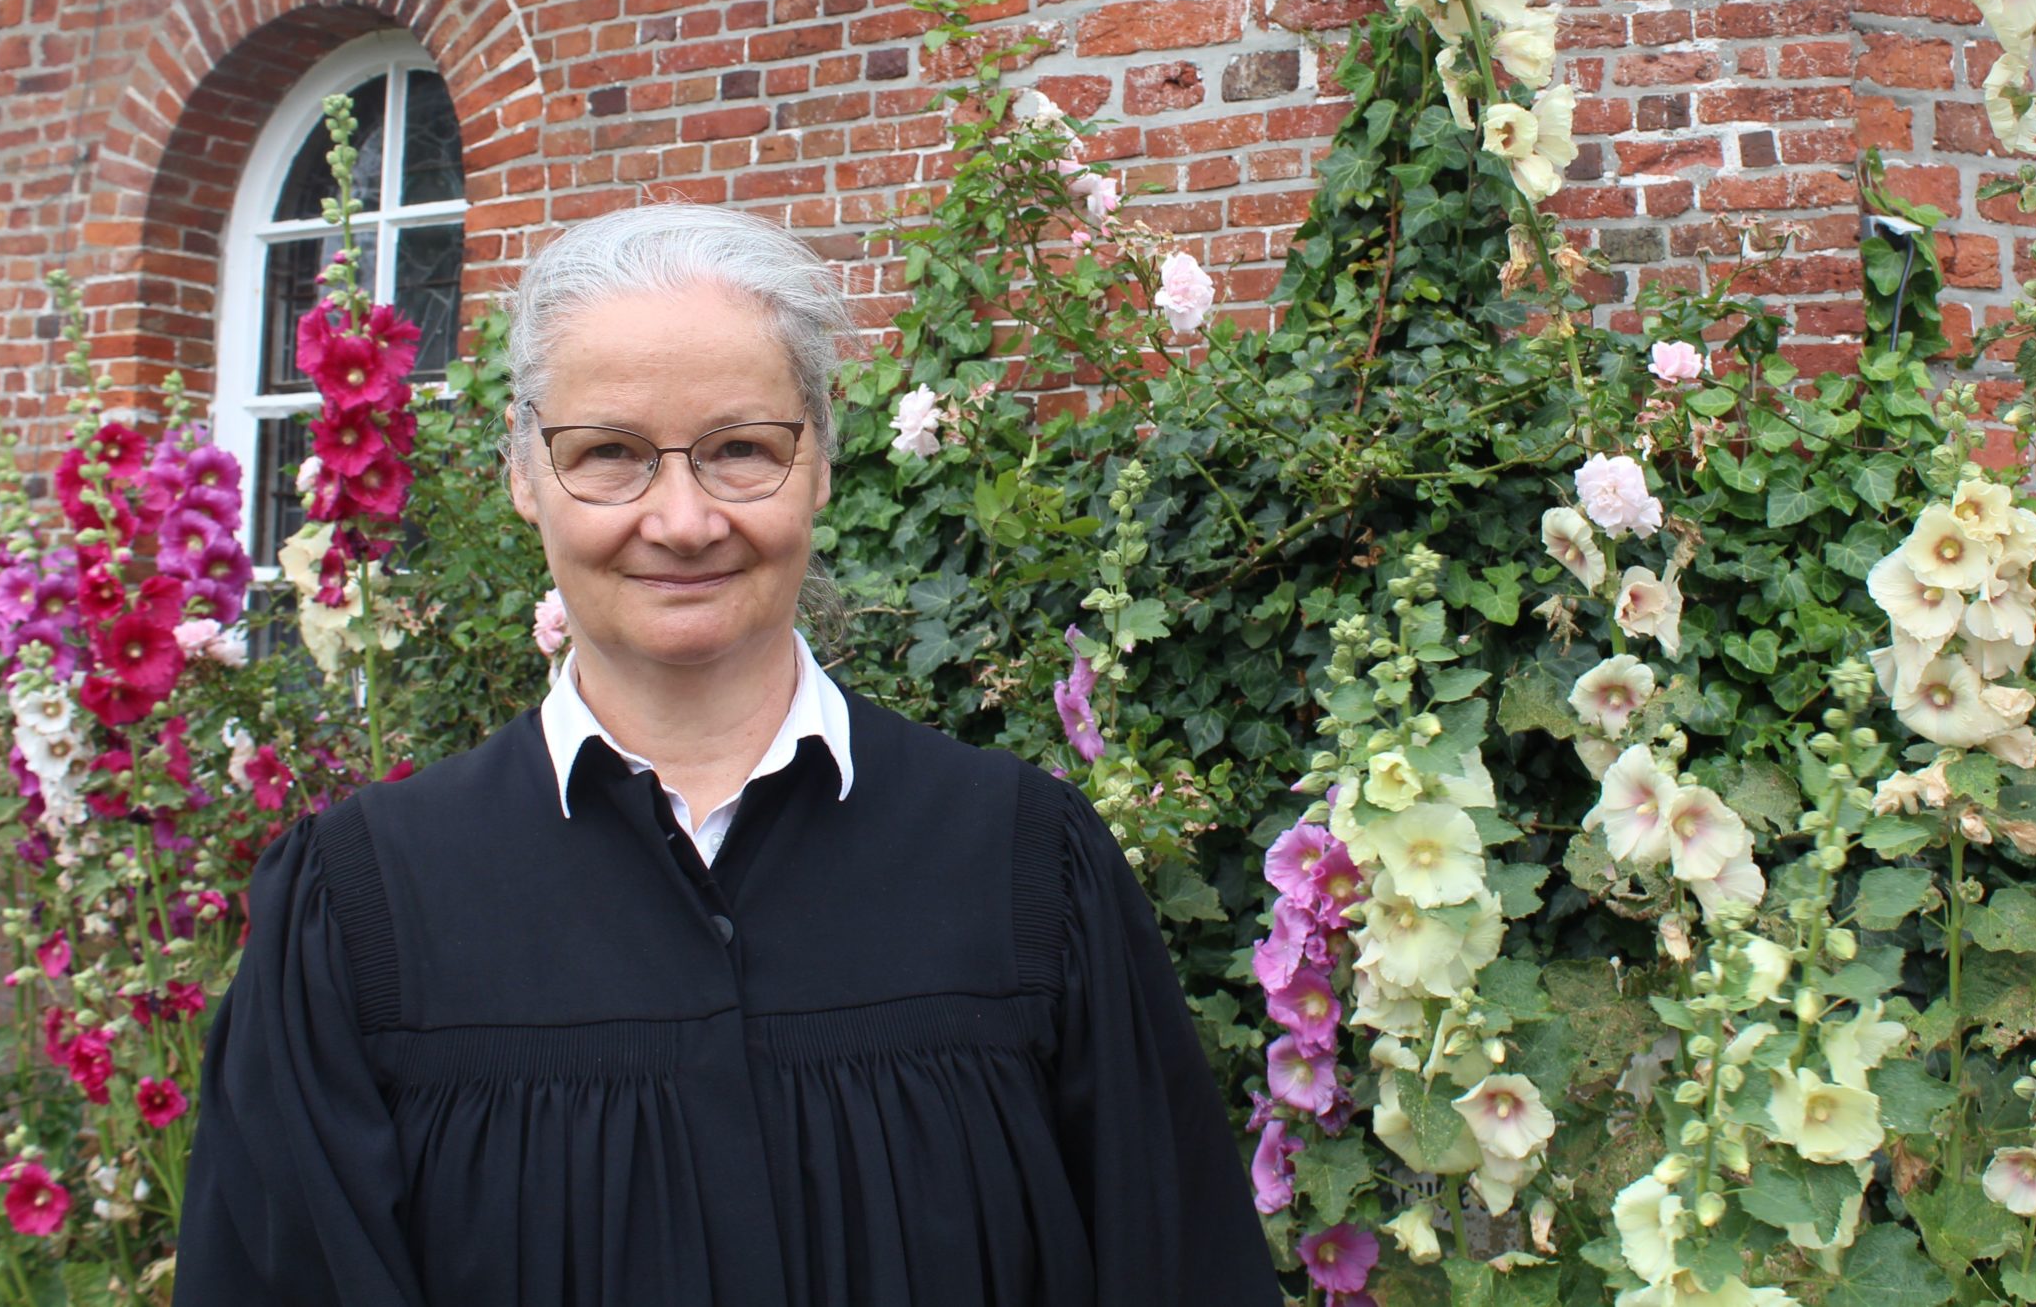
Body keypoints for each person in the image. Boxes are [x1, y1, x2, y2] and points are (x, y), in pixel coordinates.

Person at [171, 201, 1283, 1306]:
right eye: (609, 454)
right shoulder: (365, 911)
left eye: (741, 450)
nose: (683, 520)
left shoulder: (1023, 865)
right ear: (522, 473)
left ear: (822, 461)